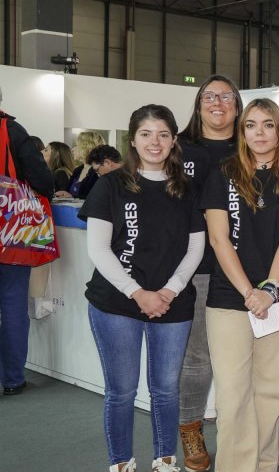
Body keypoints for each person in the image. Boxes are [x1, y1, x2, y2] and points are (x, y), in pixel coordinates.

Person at [81, 105, 205, 472]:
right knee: (121, 392)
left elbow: (196, 246)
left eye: (164, 134)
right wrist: (137, 292)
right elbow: (98, 249)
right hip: (115, 304)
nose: (156, 142)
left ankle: (165, 458)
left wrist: (169, 290)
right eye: (147, 134)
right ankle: (121, 462)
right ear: (132, 139)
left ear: (173, 140)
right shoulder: (110, 185)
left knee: (166, 390)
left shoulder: (186, 187)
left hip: (173, 304)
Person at [201, 98, 279, 472]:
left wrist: (268, 291)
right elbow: (219, 240)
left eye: (267, 125)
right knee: (232, 397)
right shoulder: (223, 174)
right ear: (242, 132)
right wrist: (249, 292)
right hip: (230, 299)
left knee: (271, 393)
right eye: (251, 125)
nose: (259, 133)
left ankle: (263, 466)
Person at [177, 74, 243, 472]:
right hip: (197, 267)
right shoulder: (179, 147)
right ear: (199, 104)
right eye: (209, 96)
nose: (217, 102)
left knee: (242, 361)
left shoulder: (252, 144)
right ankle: (191, 428)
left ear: (237, 104)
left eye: (225, 96)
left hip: (245, 268)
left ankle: (240, 437)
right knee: (198, 358)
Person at [0, 88, 54, 397]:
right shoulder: (12, 130)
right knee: (12, 306)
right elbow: (43, 182)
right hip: (11, 234)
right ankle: (11, 379)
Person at [68, 130, 107, 198]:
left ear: (87, 148)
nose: (73, 149)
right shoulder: (77, 170)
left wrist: (72, 197)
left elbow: (95, 197)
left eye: (76, 145)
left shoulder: (97, 171)